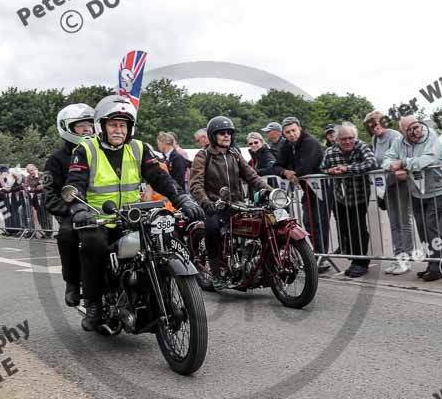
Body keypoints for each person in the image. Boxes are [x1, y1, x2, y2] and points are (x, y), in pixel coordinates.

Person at [64, 95, 203, 332]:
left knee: (162, 240)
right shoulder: (86, 149)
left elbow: (159, 177)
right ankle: (95, 304)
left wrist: (182, 199)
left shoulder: (139, 147)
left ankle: (154, 297)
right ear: (102, 126)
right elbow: (75, 182)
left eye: (123, 125)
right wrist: (79, 208)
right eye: (113, 124)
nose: (118, 130)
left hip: (132, 217)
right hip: (99, 218)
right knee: (93, 244)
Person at [189, 116, 272, 288]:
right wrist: (206, 203)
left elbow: (251, 176)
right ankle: (216, 274)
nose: (226, 136)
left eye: (229, 133)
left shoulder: (234, 154)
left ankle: (260, 266)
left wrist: (271, 192)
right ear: (213, 135)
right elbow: (195, 184)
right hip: (214, 205)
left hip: (237, 204)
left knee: (262, 223)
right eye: (222, 133)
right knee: (211, 229)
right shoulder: (203, 156)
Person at [382, 117, 442, 281]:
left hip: (436, 190)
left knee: (432, 226)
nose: (415, 131)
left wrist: (403, 163)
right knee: (422, 229)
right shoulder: (398, 142)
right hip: (416, 191)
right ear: (401, 132)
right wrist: (393, 167)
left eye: (416, 127)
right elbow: (386, 160)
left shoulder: (430, 135)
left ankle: (438, 267)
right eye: (409, 130)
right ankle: (431, 263)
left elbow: (429, 159)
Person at [43, 104, 96, 307]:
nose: (88, 129)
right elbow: (50, 195)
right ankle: (72, 282)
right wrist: (71, 211)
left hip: (106, 210)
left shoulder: (102, 151)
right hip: (75, 213)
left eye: (90, 124)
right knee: (66, 235)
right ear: (66, 128)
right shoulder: (55, 160)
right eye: (81, 126)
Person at [272, 116, 331, 272]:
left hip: (321, 187)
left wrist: (292, 172)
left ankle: (321, 257)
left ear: (300, 129)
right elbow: (276, 166)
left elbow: (306, 167)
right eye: (288, 132)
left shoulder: (310, 142)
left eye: (293, 130)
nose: (291, 134)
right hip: (307, 190)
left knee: (320, 222)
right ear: (283, 134)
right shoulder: (286, 146)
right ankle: (316, 255)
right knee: (309, 221)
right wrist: (285, 172)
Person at [321, 124, 377, 277]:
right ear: (337, 139)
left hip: (359, 195)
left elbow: (371, 163)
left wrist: (348, 169)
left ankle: (361, 262)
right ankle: (353, 259)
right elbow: (321, 169)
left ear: (355, 138)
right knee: (344, 229)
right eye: (343, 139)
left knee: (357, 229)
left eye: (350, 138)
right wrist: (330, 171)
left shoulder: (361, 147)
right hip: (340, 197)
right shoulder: (330, 152)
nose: (347, 142)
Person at [364, 110, 414, 274]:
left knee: (404, 221)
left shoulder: (394, 136)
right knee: (393, 223)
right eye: (371, 125)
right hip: (386, 186)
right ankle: (397, 257)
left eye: (377, 123)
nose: (375, 127)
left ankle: (406, 259)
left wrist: (400, 169)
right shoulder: (374, 139)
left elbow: (405, 156)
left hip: (400, 183)